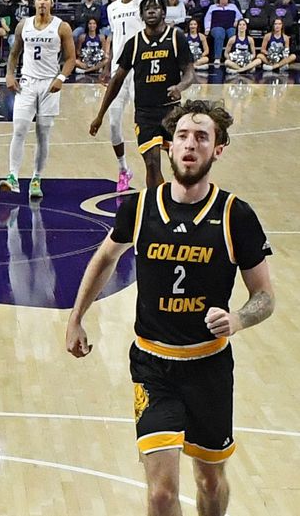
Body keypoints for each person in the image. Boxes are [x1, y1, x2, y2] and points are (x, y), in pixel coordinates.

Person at [66, 100, 274, 516]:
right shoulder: (141, 207)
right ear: (169, 146)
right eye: (182, 136)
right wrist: (76, 318)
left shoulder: (236, 216)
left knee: (209, 482)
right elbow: (105, 258)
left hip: (209, 367)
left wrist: (238, 318)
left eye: (201, 137)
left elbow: (265, 296)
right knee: (161, 494)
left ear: (218, 149)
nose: (190, 144)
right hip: (152, 365)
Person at [90, 0, 194, 189]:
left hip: (171, 112)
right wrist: (100, 115)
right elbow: (117, 81)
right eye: (147, 9)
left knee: (180, 164)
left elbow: (189, 72)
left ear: (163, 12)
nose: (151, 11)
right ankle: (156, 205)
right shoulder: (135, 43)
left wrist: (180, 87)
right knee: (152, 164)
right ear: (141, 15)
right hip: (145, 113)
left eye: (155, 8)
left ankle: (183, 200)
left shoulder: (176, 37)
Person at [0, 0, 76, 199]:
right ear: (34, 3)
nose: (42, 2)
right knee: (19, 129)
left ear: (51, 3)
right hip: (27, 83)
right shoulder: (23, 25)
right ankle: (13, 177)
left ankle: (36, 178)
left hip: (49, 84)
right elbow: (15, 52)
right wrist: (9, 74)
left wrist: (61, 78)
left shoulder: (62, 27)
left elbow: (70, 58)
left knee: (43, 135)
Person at [102, 0, 146, 192]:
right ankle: (123, 170)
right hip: (119, 70)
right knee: (113, 124)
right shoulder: (112, 8)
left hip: (140, 68)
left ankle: (153, 171)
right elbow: (114, 36)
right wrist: (107, 63)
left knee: (144, 121)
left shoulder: (144, 3)